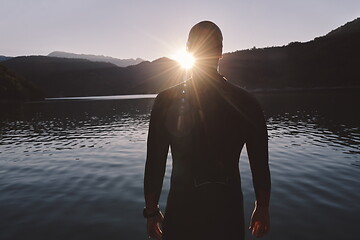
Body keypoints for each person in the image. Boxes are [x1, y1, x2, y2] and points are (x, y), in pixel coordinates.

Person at [143, 21, 271, 240]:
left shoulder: (166, 100)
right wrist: (262, 208)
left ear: (189, 50)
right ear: (221, 52)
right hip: (227, 211)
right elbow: (259, 164)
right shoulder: (246, 102)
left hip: (182, 211)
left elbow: (155, 162)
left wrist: (152, 211)